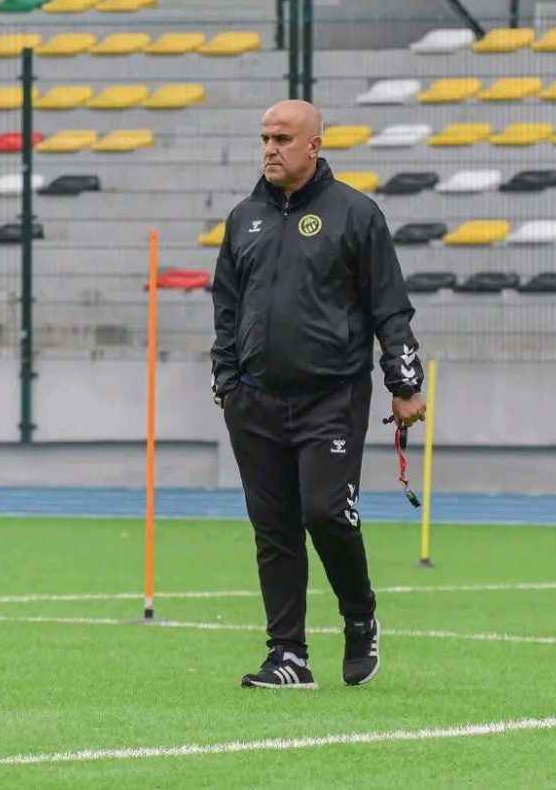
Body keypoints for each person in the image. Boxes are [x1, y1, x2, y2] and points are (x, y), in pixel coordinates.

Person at [210, 100, 425, 689]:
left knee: (326, 513)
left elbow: (389, 306)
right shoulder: (244, 217)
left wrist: (404, 383)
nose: (269, 149)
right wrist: (226, 381)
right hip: (253, 399)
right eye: (264, 138)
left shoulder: (356, 214)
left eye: (282, 139)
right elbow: (226, 306)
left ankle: (360, 616)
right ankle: (288, 656)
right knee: (273, 527)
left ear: (314, 145)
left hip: (331, 397)